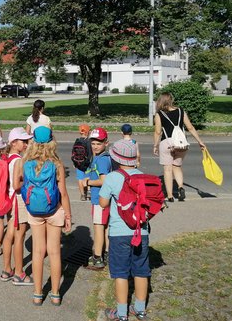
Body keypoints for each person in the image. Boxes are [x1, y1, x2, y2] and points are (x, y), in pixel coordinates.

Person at [19, 126, 72, 306]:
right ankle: (56, 294)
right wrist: (68, 216)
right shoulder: (56, 165)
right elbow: (63, 193)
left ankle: (37, 293)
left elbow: (19, 184)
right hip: (54, 210)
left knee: (38, 252)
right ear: (51, 142)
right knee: (55, 252)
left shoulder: (25, 163)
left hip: (34, 211)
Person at [99, 139, 150, 321]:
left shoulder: (113, 177)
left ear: (116, 159)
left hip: (119, 233)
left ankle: (121, 314)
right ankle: (140, 310)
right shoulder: (142, 176)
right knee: (141, 270)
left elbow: (103, 203)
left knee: (120, 273)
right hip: (141, 231)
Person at [153, 92, 206, 202]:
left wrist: (155, 145)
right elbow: (190, 127)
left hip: (167, 143)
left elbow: (158, 132)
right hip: (181, 143)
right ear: (171, 100)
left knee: (167, 169)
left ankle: (170, 196)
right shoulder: (181, 111)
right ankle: (181, 187)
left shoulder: (159, 114)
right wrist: (200, 141)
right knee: (177, 167)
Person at [0, 127, 33, 286]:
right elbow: (16, 184)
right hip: (18, 200)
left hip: (9, 199)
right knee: (20, 237)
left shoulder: (8, 157)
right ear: (14, 142)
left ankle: (7, 270)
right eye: (24, 141)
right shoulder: (17, 160)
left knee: (10, 235)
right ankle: (19, 273)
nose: (26, 144)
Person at [83, 127, 112, 270]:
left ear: (106, 143)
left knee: (98, 228)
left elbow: (103, 180)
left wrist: (88, 182)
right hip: (104, 199)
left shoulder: (101, 160)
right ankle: (107, 253)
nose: (95, 146)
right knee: (105, 227)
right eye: (93, 143)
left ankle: (97, 257)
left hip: (99, 199)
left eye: (98, 143)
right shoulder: (103, 157)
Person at [74, 123, 92, 201]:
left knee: (80, 179)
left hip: (78, 163)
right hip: (87, 163)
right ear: (88, 132)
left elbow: (73, 153)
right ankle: (88, 191)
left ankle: (82, 195)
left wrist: (75, 163)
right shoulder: (88, 142)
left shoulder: (77, 141)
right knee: (88, 177)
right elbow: (90, 154)